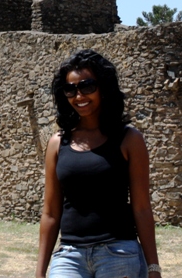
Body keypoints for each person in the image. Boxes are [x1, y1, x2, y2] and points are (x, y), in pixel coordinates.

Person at [36, 50, 161, 278]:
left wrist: (153, 267)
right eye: (70, 89)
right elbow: (51, 213)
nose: (79, 95)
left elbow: (142, 207)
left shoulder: (129, 139)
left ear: (104, 88)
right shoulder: (57, 143)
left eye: (87, 86)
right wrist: (40, 272)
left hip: (118, 252)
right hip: (69, 255)